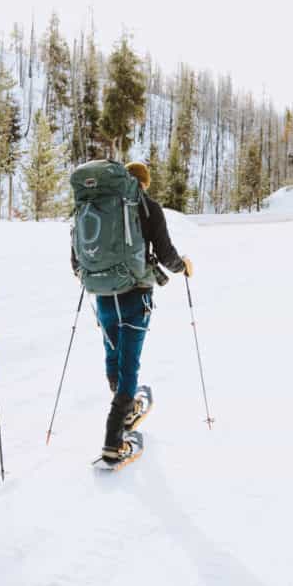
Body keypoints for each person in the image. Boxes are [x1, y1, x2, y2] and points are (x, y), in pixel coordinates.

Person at [72, 161, 192, 461]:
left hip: (101, 293)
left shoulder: (94, 205)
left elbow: (76, 257)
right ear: (144, 183)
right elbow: (165, 254)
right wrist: (182, 267)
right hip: (135, 292)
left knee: (113, 353)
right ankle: (114, 440)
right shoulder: (147, 206)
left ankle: (124, 406)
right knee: (130, 363)